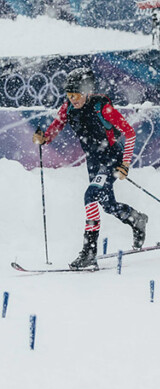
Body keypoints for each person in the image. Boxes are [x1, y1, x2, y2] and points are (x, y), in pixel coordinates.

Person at [32, 68, 147, 269]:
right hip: (94, 161)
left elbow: (129, 133)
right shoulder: (67, 108)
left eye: (75, 95)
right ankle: (136, 218)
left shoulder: (102, 108)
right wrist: (44, 138)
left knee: (90, 196)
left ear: (86, 92)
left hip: (112, 158)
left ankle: (89, 251)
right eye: (69, 95)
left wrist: (125, 163)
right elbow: (55, 128)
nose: (72, 99)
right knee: (107, 204)